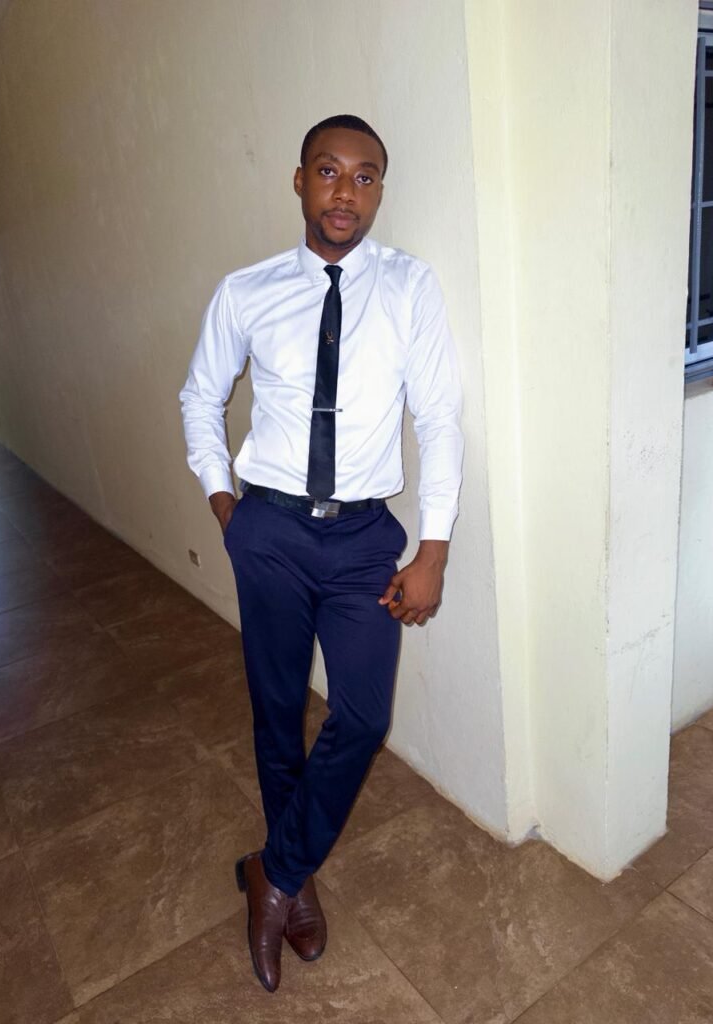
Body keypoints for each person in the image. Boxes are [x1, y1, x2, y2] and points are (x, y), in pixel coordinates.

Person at [180, 114, 463, 992]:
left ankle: (275, 871)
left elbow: (439, 418)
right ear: (299, 180)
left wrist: (434, 549)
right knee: (276, 714)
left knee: (363, 718)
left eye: (366, 176)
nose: (347, 191)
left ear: (380, 191)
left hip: (362, 537)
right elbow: (199, 396)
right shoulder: (247, 292)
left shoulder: (409, 287)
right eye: (329, 171)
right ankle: (293, 888)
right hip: (267, 526)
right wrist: (225, 505)